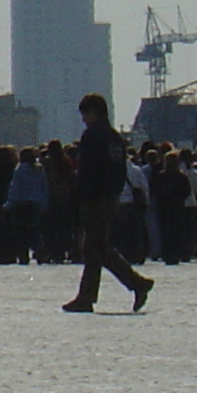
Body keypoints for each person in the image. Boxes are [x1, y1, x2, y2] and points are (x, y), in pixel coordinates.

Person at [63, 94, 153, 314]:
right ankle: (88, 297)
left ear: (94, 112)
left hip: (93, 198)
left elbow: (87, 171)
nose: (83, 119)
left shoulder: (92, 136)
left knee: (96, 247)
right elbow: (119, 170)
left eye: (85, 114)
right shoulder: (114, 138)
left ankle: (135, 283)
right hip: (109, 197)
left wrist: (79, 195)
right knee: (96, 249)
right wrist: (113, 194)